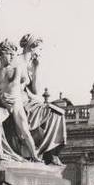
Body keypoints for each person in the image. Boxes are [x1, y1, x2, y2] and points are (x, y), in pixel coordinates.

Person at [0, 39, 42, 162]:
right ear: (0, 54)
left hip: (16, 104)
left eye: (12, 54)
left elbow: (27, 82)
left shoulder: (17, 68)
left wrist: (35, 68)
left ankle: (35, 156)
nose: (11, 57)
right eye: (8, 54)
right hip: (4, 105)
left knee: (25, 132)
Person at [17, 34, 66, 165]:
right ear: (32, 47)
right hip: (20, 101)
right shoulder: (17, 61)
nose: (41, 52)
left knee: (58, 113)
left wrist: (37, 67)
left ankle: (50, 152)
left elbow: (36, 91)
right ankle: (46, 153)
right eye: (40, 49)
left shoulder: (31, 65)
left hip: (29, 100)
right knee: (53, 113)